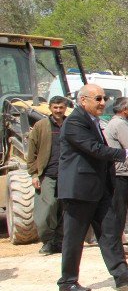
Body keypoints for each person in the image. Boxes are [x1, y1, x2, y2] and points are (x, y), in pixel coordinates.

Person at [56, 84, 128, 291]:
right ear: (83, 101)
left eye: (104, 98)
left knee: (109, 231)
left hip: (98, 189)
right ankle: (67, 282)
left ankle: (121, 273)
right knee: (74, 236)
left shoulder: (93, 121)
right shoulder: (74, 122)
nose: (103, 102)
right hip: (79, 190)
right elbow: (95, 149)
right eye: (98, 98)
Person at [27, 95, 70, 256]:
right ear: (50, 108)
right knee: (46, 210)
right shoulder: (41, 126)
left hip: (67, 175)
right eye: (55, 107)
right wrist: (33, 174)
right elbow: (32, 151)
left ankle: (58, 241)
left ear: (65, 108)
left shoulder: (70, 125)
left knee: (65, 210)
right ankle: (47, 240)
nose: (58, 110)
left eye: (61, 107)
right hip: (47, 174)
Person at [105, 97, 128, 253]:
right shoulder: (120, 124)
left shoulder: (112, 123)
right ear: (125, 110)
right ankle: (117, 247)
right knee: (119, 210)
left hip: (116, 170)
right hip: (121, 171)